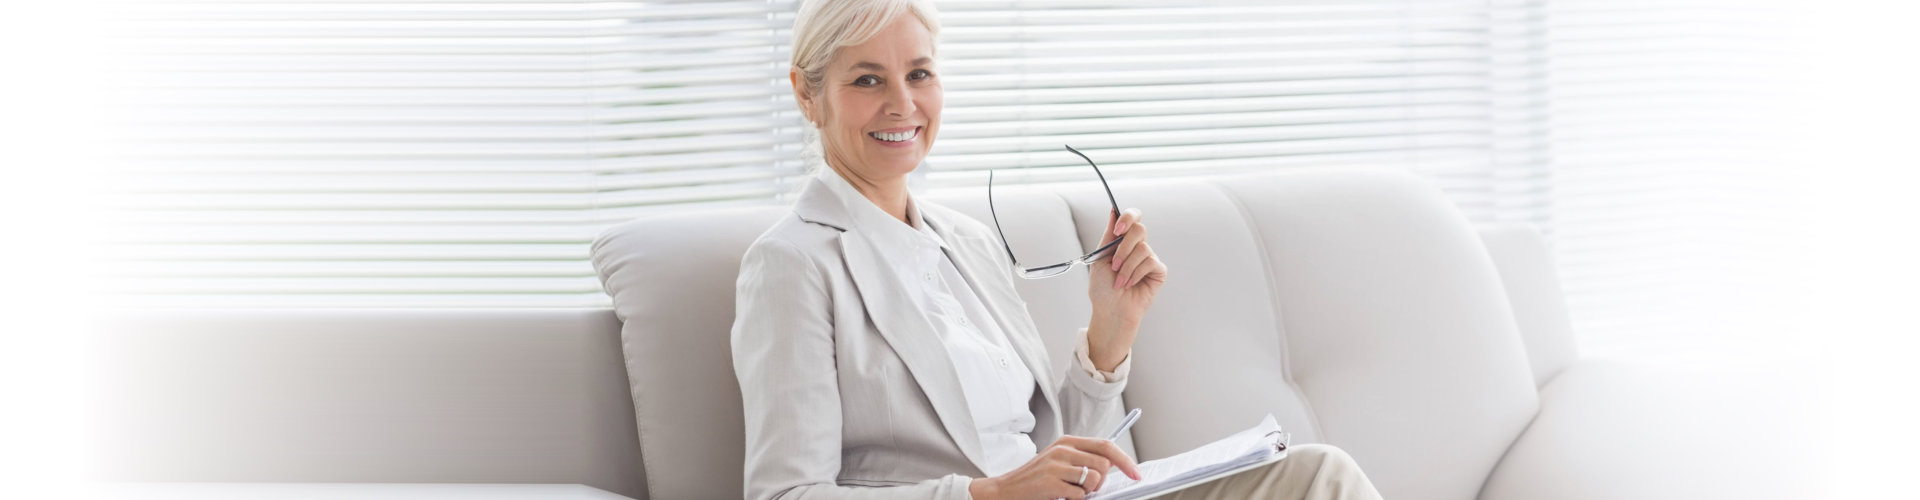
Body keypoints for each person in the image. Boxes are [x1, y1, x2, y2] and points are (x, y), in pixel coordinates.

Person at [731, 1, 1386, 499]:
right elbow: (787, 494)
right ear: (805, 94)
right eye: (868, 80)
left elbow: (1061, 452)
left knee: (1317, 474)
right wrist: (987, 495)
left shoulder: (967, 244)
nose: (903, 104)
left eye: (919, 73)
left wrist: (1110, 334)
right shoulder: (792, 265)